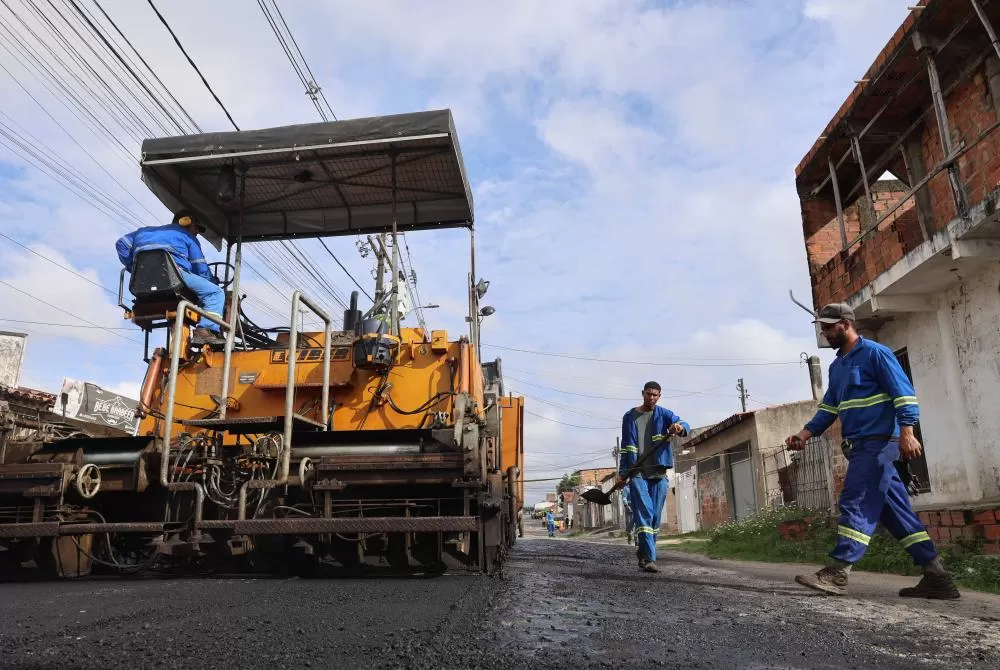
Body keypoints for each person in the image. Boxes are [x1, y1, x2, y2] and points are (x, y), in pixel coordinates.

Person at [785, 303, 959, 599]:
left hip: (880, 443)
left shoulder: (876, 353)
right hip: (860, 445)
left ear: (846, 324)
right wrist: (804, 434)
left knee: (857, 500)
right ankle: (937, 576)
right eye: (822, 327)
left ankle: (838, 571)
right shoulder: (837, 366)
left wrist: (907, 432)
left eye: (829, 326)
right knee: (896, 514)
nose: (824, 332)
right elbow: (829, 408)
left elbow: (903, 393)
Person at [116, 210, 225, 346]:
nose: (196, 232)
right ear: (186, 221)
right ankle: (206, 330)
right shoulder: (187, 236)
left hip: (141, 283)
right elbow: (200, 268)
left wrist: (134, 267)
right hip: (176, 278)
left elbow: (121, 243)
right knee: (215, 293)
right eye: (196, 227)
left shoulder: (143, 232)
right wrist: (211, 283)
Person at [617, 381, 690, 572]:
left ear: (659, 396)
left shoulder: (664, 414)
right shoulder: (630, 417)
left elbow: (684, 424)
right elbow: (626, 448)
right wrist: (622, 474)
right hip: (638, 473)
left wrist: (678, 427)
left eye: (655, 395)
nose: (651, 398)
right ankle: (650, 558)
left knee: (655, 519)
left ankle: (643, 551)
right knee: (645, 514)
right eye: (648, 394)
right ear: (642, 393)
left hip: (658, 472)